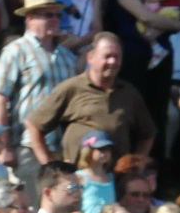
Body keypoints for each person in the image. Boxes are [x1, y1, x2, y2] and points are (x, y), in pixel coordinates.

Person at [0, 0, 76, 206]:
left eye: (57, 14)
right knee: (31, 209)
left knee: (63, 209)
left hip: (61, 146)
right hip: (26, 146)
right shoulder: (16, 50)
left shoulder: (65, 56)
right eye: (47, 14)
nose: (54, 19)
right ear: (29, 17)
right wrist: (4, 146)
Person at [25, 32, 154, 172]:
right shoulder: (72, 88)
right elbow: (34, 125)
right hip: (78, 180)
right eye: (107, 56)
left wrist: (136, 165)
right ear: (90, 57)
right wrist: (51, 167)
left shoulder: (129, 92)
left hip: (115, 182)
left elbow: (147, 134)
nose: (112, 62)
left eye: (116, 57)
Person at [104, 0, 177, 158]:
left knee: (158, 114)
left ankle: (156, 172)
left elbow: (170, 4)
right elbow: (145, 16)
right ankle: (131, 170)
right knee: (134, 113)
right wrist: (175, 24)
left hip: (161, 54)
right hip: (133, 55)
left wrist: (167, 24)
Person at [75, 129, 115, 213]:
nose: (105, 153)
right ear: (87, 151)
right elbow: (71, 207)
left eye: (107, 149)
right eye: (100, 149)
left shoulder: (110, 177)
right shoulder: (80, 177)